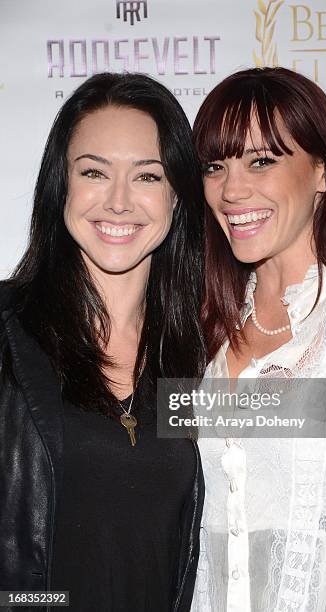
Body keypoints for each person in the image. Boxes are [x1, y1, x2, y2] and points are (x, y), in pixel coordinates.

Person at [190, 67, 326, 611]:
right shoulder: (200, 333)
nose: (232, 189)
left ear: (321, 172)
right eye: (216, 166)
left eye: (262, 160)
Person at [0, 72, 206, 611]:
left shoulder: (201, 352)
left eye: (147, 177)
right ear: (60, 185)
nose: (118, 201)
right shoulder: (6, 331)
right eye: (94, 172)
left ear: (178, 196)